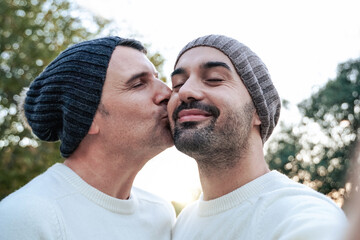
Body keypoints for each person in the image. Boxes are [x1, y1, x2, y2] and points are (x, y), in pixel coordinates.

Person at [168, 34, 348, 240]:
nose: (185, 91)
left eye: (214, 79)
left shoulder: (305, 217)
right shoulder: (182, 223)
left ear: (257, 112)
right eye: (178, 84)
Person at [0, 36, 175, 239]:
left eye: (157, 78)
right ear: (85, 116)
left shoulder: (161, 215)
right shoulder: (26, 217)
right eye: (138, 84)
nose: (167, 92)